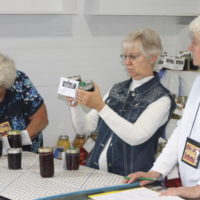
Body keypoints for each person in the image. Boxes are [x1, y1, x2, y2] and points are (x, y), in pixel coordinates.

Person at [66, 28, 175, 176]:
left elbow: (136, 136)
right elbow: (84, 128)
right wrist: (74, 105)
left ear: (152, 57)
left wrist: (99, 106)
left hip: (129, 179)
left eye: (134, 57)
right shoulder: (116, 89)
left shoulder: (161, 99)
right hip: (96, 172)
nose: (127, 62)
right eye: (124, 56)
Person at [124, 16, 200, 199]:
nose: (189, 47)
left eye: (195, 42)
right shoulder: (198, 82)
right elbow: (183, 132)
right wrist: (156, 171)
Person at [0, 52, 48, 153]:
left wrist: (14, 143)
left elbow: (41, 120)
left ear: (6, 83)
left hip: (27, 154)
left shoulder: (19, 80)